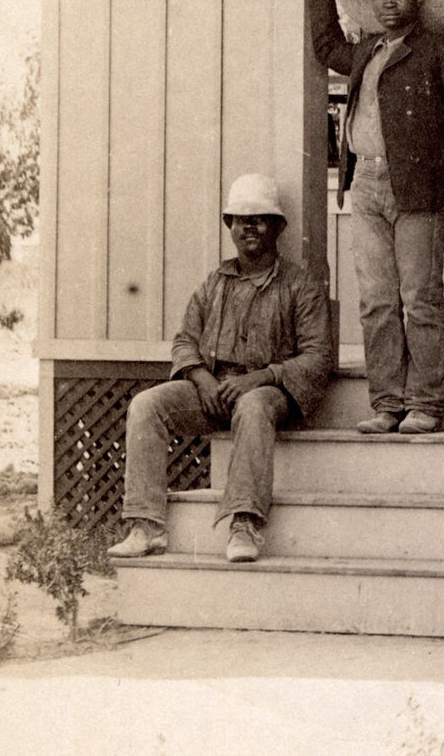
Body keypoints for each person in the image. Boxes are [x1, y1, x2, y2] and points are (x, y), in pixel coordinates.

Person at [304, 0, 444, 436]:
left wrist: (437, 165)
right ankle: (386, 404)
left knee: (420, 296)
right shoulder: (366, 50)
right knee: (377, 300)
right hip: (364, 182)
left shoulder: (438, 51)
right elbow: (326, 47)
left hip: (418, 189)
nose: (390, 1)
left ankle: (425, 403)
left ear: (419, 1)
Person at [107, 175, 333, 564]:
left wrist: (261, 377)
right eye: (240, 220)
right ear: (230, 227)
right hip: (214, 389)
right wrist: (202, 378)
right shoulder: (215, 283)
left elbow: (317, 357)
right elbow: (184, 341)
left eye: (260, 219)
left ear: (277, 227)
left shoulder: (299, 285)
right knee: (146, 405)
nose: (249, 228)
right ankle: (147, 526)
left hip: (270, 393)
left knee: (253, 405)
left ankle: (244, 524)